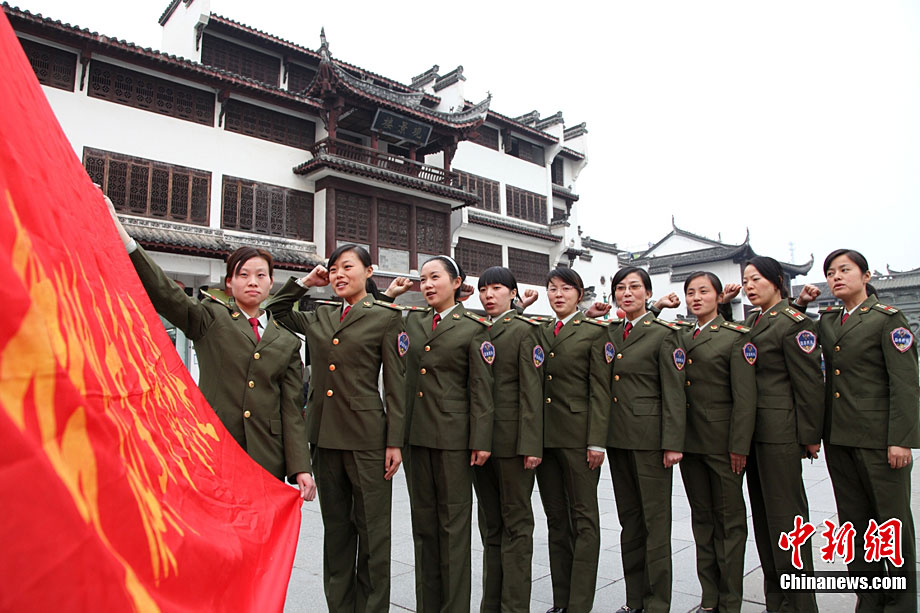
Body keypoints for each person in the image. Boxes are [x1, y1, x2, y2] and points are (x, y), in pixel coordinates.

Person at [103, 191, 315, 499]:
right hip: (214, 446)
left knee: (260, 526)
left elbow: (291, 410)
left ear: (271, 283)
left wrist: (301, 467)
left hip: (267, 456)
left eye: (261, 275)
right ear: (229, 282)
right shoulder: (210, 318)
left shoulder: (286, 340)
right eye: (243, 275)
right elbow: (165, 293)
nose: (252, 281)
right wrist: (122, 234)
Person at [265, 244, 407, 613]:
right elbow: (274, 312)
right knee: (338, 533)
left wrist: (395, 441)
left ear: (369, 272)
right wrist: (304, 283)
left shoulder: (386, 317)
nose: (339, 275)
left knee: (373, 533)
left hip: (367, 439)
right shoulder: (320, 316)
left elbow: (396, 384)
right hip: (324, 437)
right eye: (333, 270)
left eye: (347, 267)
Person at [796, 249, 918, 612]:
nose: (836, 277)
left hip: (880, 440)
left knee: (891, 525)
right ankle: (869, 599)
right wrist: (800, 303)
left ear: (866, 276)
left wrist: (901, 440)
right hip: (840, 438)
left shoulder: (887, 319)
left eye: (844, 270)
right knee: (856, 524)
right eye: (830, 272)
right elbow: (794, 334)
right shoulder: (829, 321)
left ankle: (900, 604)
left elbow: (905, 384)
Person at [403, 255, 494, 613]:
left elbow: (481, 388)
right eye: (423, 278)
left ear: (456, 283)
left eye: (435, 277)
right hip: (416, 437)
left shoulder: (473, 326)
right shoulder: (412, 321)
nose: (427, 284)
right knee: (423, 528)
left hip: (454, 440)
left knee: (453, 530)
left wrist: (480, 439)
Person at [741, 256, 823, 613]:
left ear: (777, 281)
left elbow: (810, 383)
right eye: (746, 281)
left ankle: (801, 605)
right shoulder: (753, 321)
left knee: (788, 521)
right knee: (763, 521)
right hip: (753, 433)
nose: (749, 286)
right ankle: (777, 601)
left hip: (780, 433)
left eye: (756, 279)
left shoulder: (794, 323)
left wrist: (810, 436)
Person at [606, 266, 686, 613]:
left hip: (651, 440)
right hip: (618, 439)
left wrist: (673, 442)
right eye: (620, 288)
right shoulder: (611, 332)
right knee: (631, 523)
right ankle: (633, 599)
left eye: (634, 287)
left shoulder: (664, 334)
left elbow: (674, 392)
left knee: (655, 524)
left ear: (648, 293)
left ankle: (657, 602)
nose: (627, 293)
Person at [679, 271, 756, 613]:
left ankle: (730, 600)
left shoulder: (735, 337)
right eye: (690, 293)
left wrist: (739, 445)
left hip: (723, 444)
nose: (696, 298)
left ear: (719, 297)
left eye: (704, 292)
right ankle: (709, 597)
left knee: (729, 523)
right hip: (690, 442)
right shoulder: (682, 335)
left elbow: (745, 397)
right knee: (702, 521)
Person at [537, 267, 610, 613]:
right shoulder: (541, 330)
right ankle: (561, 600)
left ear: (580, 295)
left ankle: (579, 603)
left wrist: (597, 441)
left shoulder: (594, 332)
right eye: (552, 289)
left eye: (566, 288)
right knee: (556, 520)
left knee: (584, 519)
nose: (558, 294)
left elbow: (601, 390)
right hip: (546, 438)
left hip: (580, 438)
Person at [472, 267, 543, 613]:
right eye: (483, 289)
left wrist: (531, 445)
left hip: (514, 445)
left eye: (497, 288)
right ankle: (492, 604)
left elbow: (532, 391)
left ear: (513, 293)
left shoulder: (524, 332)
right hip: (480, 445)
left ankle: (514, 606)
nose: (489, 295)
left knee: (516, 526)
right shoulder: (479, 330)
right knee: (491, 526)